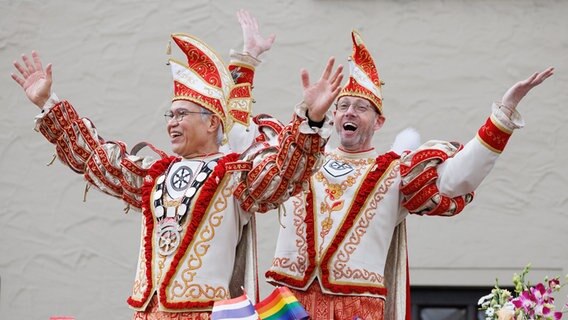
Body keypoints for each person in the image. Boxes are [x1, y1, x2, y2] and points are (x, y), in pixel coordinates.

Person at [10, 11, 344, 319]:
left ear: (213, 123)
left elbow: (285, 175)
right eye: (170, 114)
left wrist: (311, 119)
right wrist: (48, 103)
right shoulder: (154, 175)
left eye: (182, 114)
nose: (172, 122)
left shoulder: (234, 176)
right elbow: (98, 161)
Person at [230, 30, 554, 319]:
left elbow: (458, 178)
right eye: (342, 106)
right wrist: (246, 65)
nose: (349, 113)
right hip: (288, 305)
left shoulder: (396, 171)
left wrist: (503, 117)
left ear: (379, 122)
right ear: (331, 113)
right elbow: (239, 148)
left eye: (361, 107)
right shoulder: (299, 160)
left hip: (357, 309)